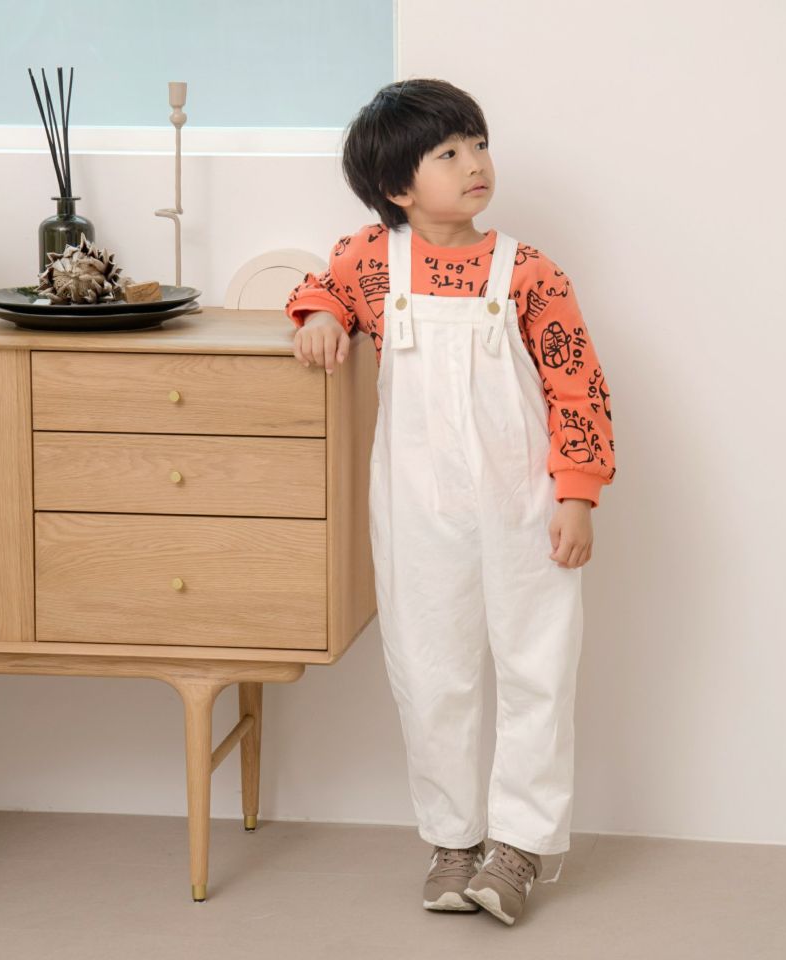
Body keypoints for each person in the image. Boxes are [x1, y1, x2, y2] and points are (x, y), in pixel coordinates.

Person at [284, 78, 616, 927]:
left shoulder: (529, 270)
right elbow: (322, 289)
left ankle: (520, 847)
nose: (476, 164)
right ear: (397, 186)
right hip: (418, 512)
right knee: (432, 672)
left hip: (525, 508)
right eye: (449, 153)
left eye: (479, 144)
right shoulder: (370, 260)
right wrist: (319, 317)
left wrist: (577, 495)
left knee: (537, 669)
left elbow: (577, 385)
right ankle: (453, 841)